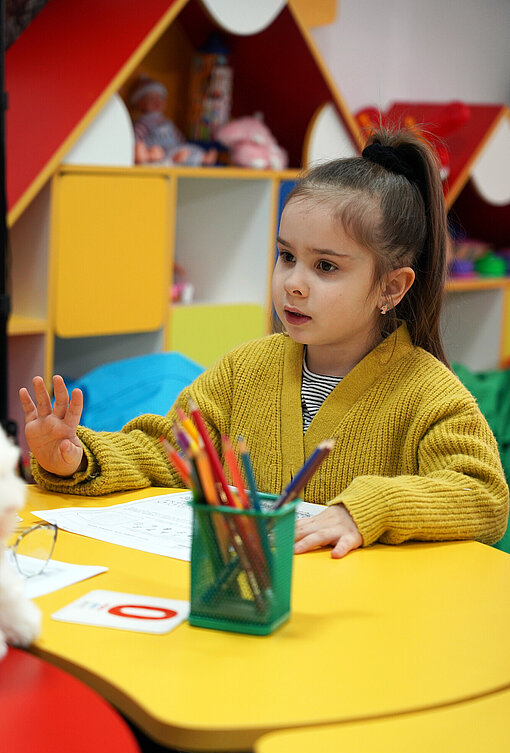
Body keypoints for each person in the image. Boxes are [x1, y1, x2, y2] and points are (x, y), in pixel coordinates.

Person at [19, 127, 509, 558]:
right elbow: (169, 452)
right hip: (247, 595)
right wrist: (75, 457)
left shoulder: (429, 393)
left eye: (326, 266)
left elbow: (484, 495)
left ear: (392, 287)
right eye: (286, 256)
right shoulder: (244, 369)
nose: (294, 283)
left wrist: (366, 511)